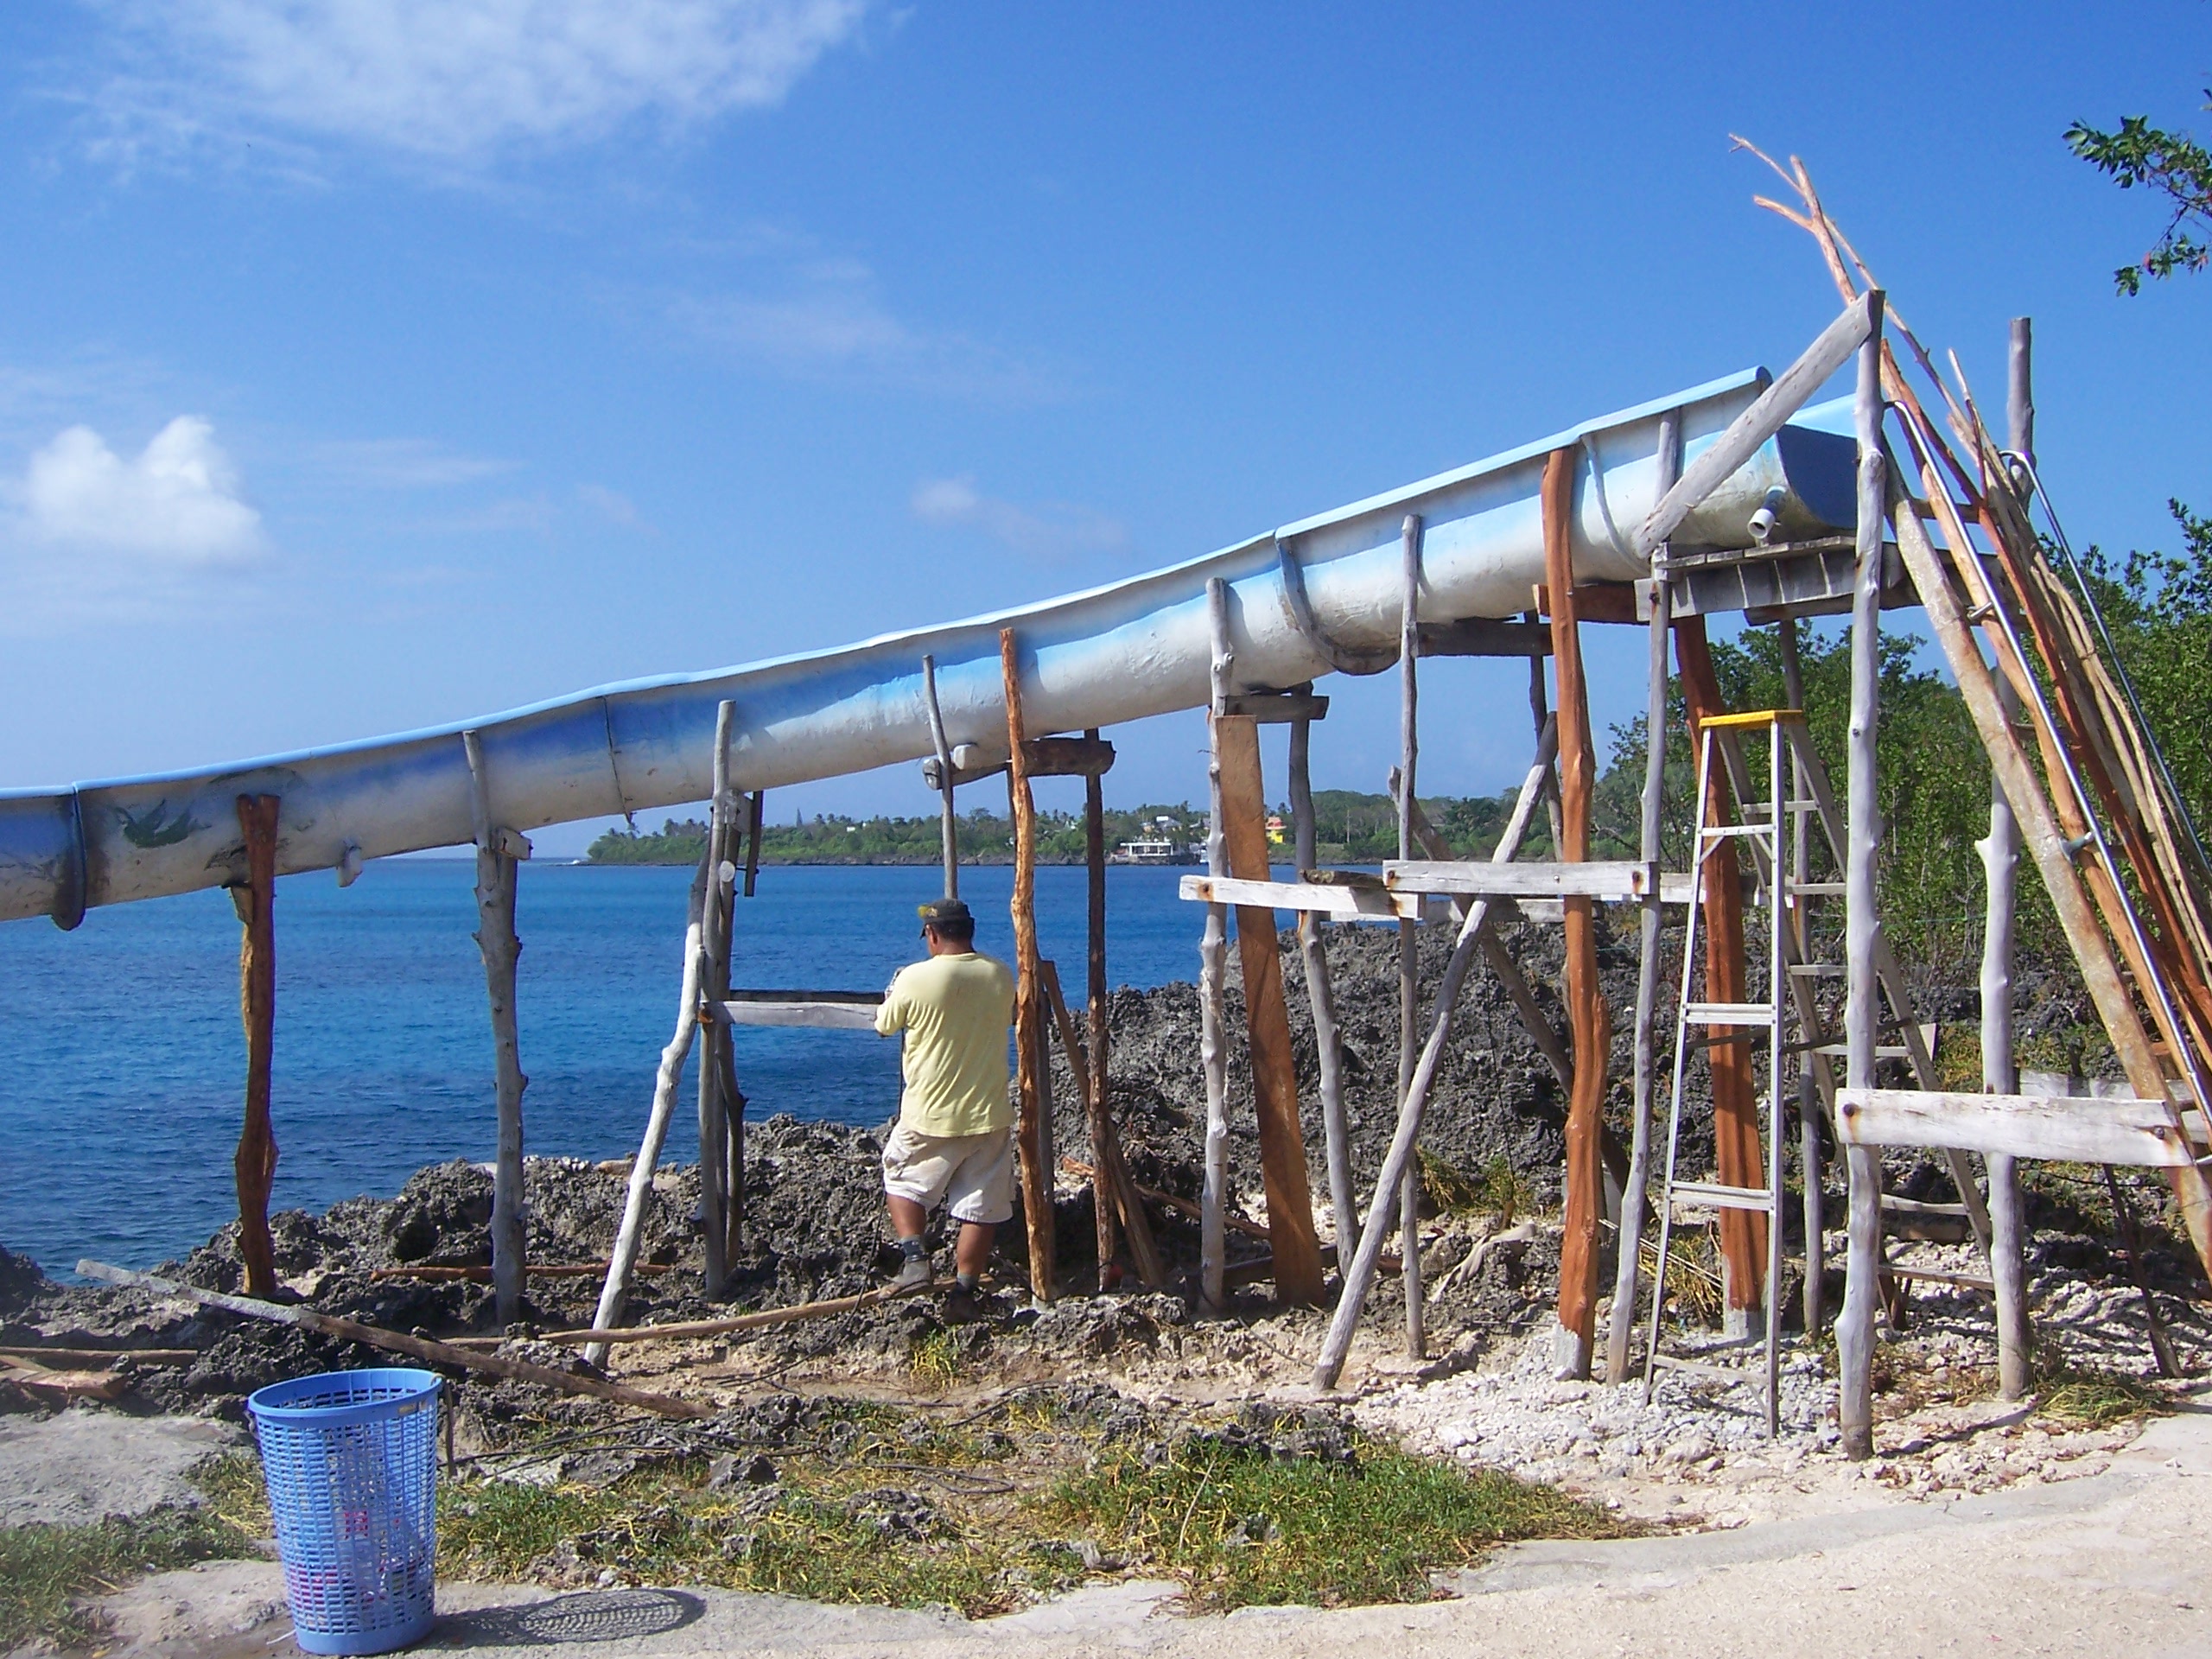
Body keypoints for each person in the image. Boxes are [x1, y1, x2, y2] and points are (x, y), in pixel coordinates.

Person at [874, 897, 1017, 1307]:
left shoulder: (915, 979)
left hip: (929, 1112)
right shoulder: (999, 974)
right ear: (970, 932)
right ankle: (965, 1290)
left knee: (901, 1179)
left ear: (933, 936)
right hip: (988, 1112)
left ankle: (916, 1261)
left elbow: (886, 1024)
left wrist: (896, 989)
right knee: (980, 1205)